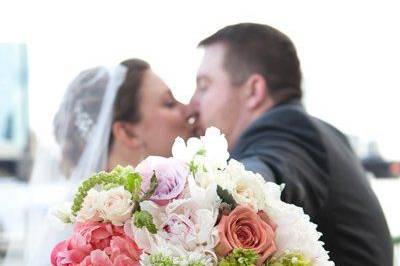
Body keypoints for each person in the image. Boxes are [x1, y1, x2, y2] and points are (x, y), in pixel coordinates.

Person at [190, 23, 393, 265]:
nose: (192, 103)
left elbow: (270, 166)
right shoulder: (326, 134)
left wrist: (221, 185)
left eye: (204, 86)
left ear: (254, 91)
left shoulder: (288, 130)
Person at [10, 58, 193, 265]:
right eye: (169, 103)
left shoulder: (177, 209)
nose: (189, 110)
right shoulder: (90, 238)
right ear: (127, 133)